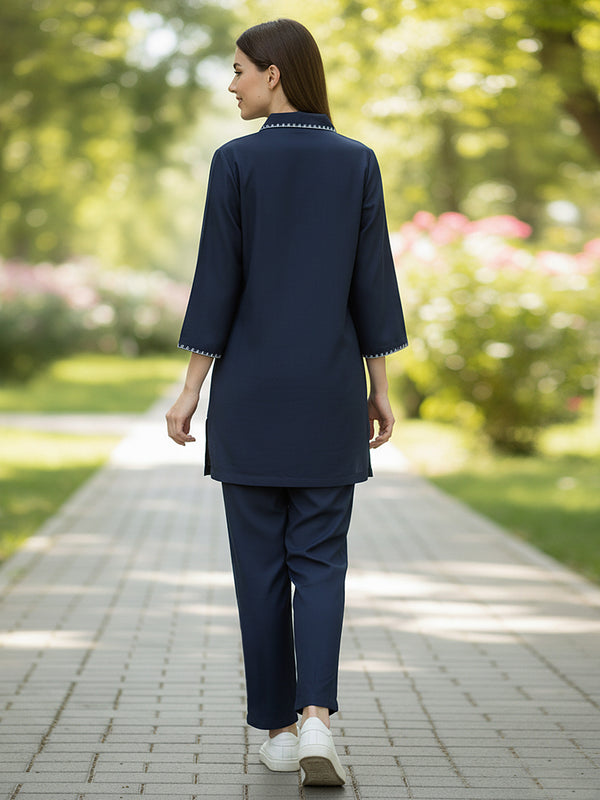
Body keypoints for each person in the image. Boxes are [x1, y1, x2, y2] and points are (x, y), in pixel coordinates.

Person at [166, 17, 408, 787]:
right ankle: (317, 720)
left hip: (253, 399)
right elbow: (373, 285)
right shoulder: (357, 161)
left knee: (259, 569)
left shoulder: (235, 162)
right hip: (330, 394)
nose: (231, 83)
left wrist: (189, 391)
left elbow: (217, 283)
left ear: (274, 74)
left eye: (239, 68)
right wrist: (379, 388)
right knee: (322, 562)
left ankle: (278, 728)